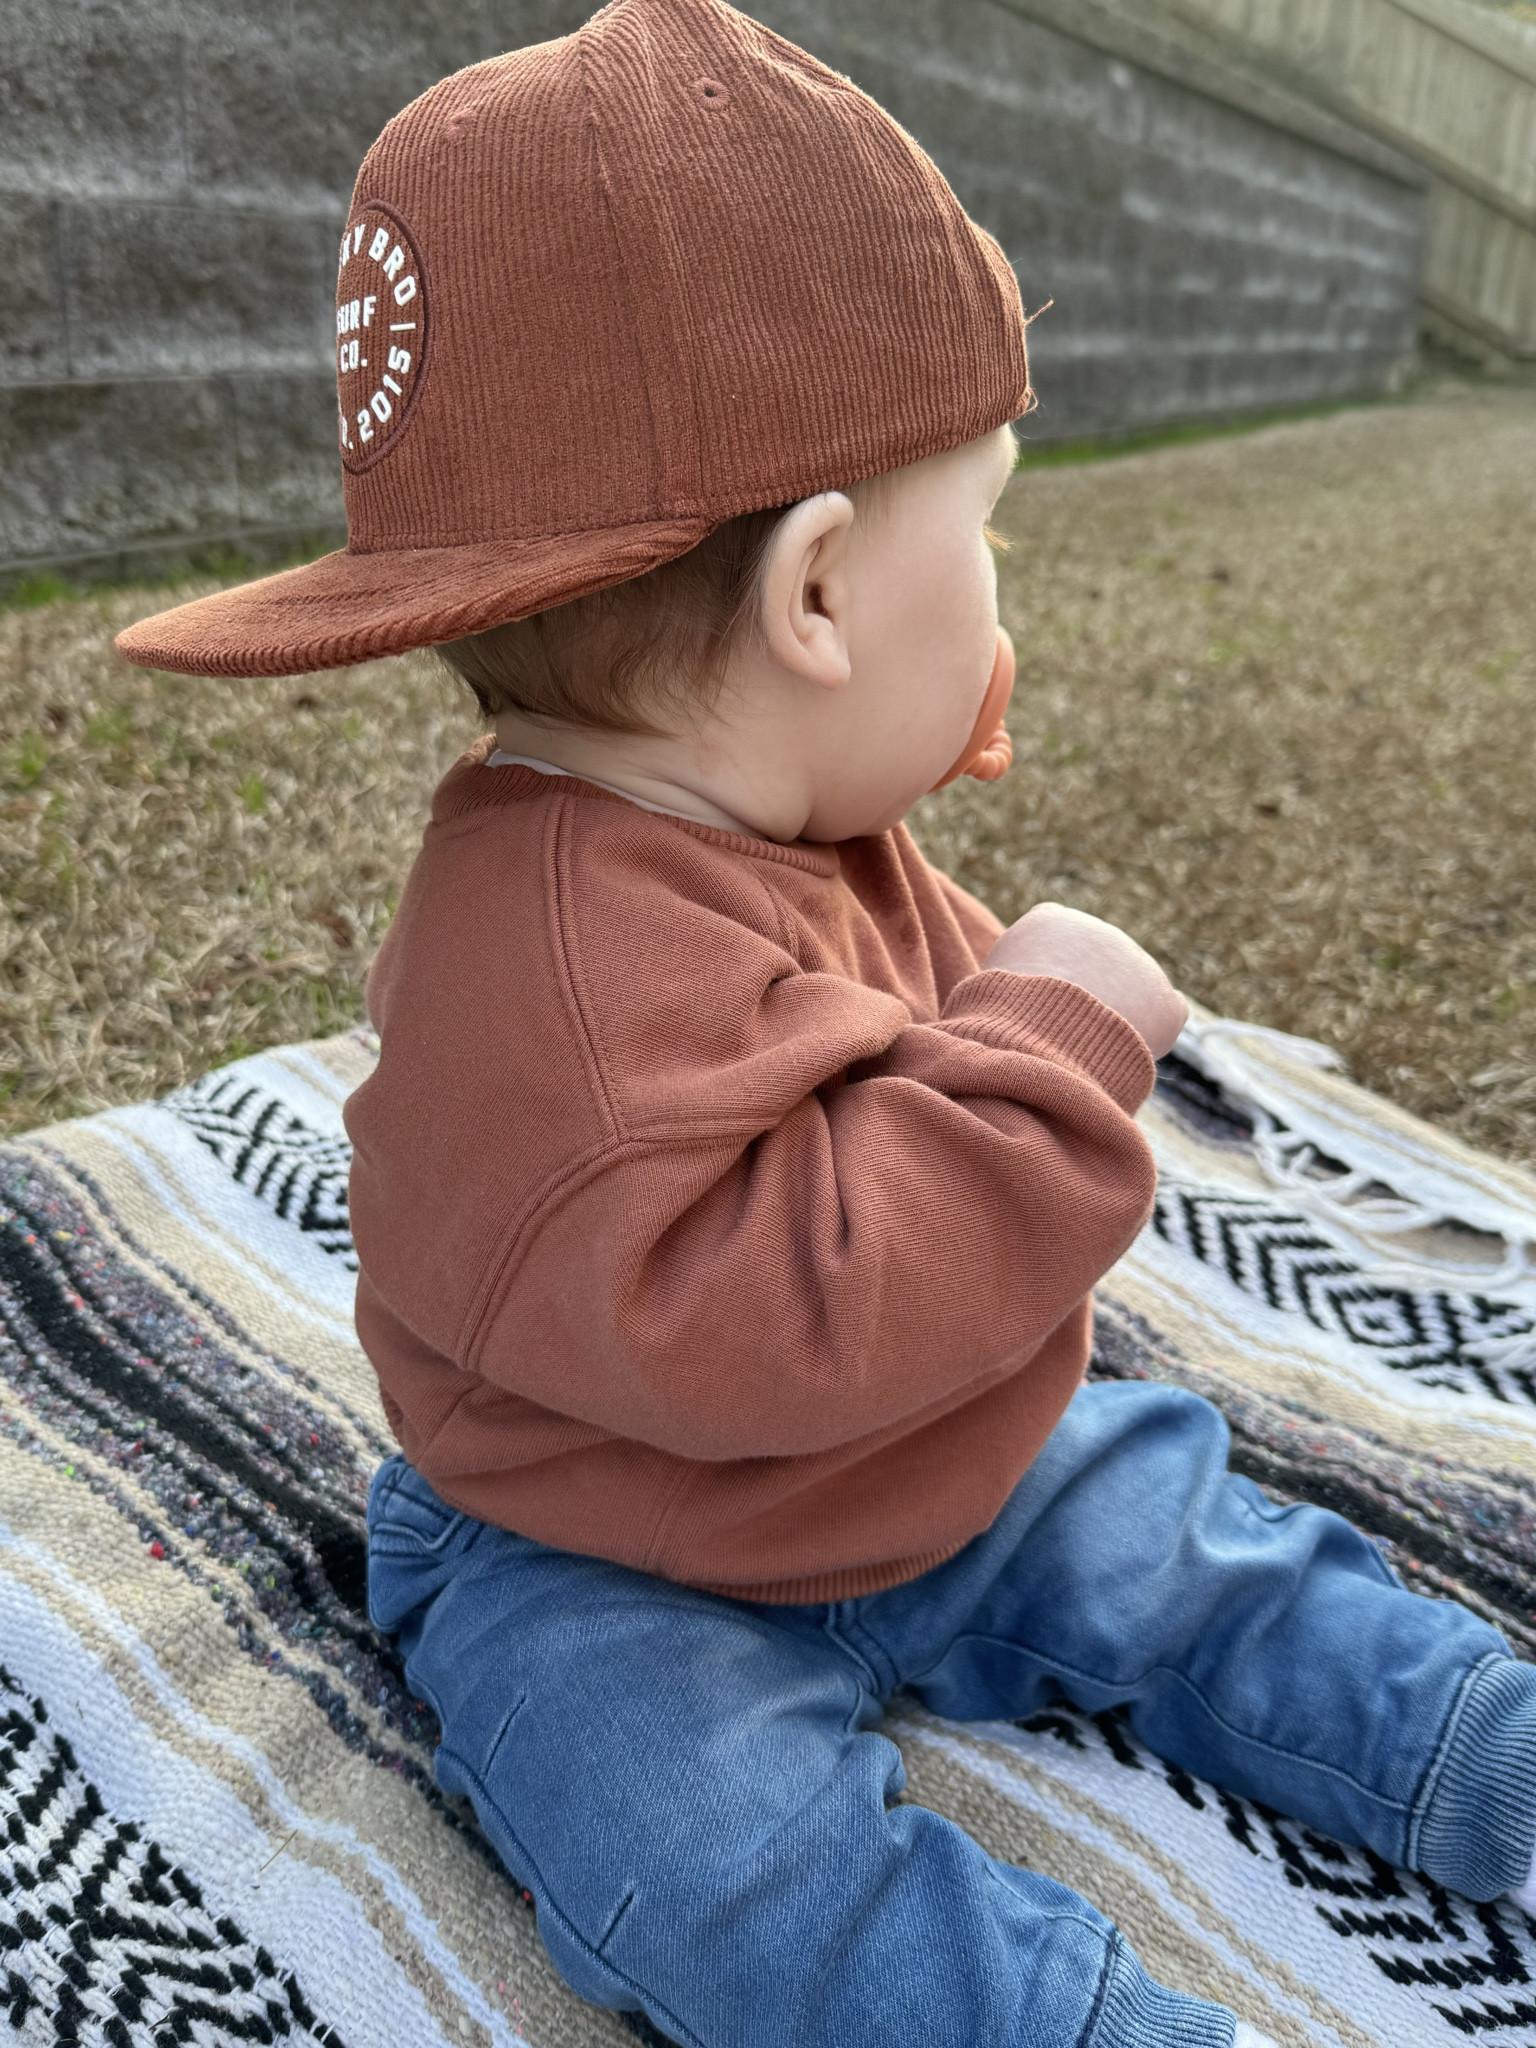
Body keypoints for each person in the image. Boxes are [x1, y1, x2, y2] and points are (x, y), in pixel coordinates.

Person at [116, 3, 1536, 2042]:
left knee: (1185, 1539)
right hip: (595, 1541)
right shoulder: (565, 986)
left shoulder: (785, 812)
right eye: (990, 529)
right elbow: (794, 1315)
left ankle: (1476, 1755)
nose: (1007, 597)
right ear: (817, 597)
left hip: (907, 1463)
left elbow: (911, 1056)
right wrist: (1053, 1042)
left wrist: (986, 997)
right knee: (697, 1863)